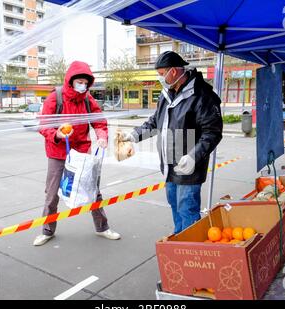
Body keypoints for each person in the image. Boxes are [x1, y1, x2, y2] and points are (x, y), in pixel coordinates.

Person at [118, 51, 223, 234]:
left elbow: (212, 132)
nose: (160, 79)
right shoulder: (167, 93)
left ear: (173, 71)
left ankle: (190, 248)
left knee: (187, 209)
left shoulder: (202, 95)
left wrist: (193, 156)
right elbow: (156, 121)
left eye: (161, 74)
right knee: (175, 206)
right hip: (169, 166)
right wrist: (134, 135)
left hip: (189, 167)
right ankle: (179, 240)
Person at [34, 61, 121, 246]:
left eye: (85, 82)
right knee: (52, 194)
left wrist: (102, 135)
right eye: (79, 81)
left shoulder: (88, 100)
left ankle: (102, 227)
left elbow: (99, 121)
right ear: (70, 81)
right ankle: (47, 231)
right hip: (58, 153)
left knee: (93, 191)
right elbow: (43, 125)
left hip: (82, 152)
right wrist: (56, 134)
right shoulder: (54, 98)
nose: (83, 85)